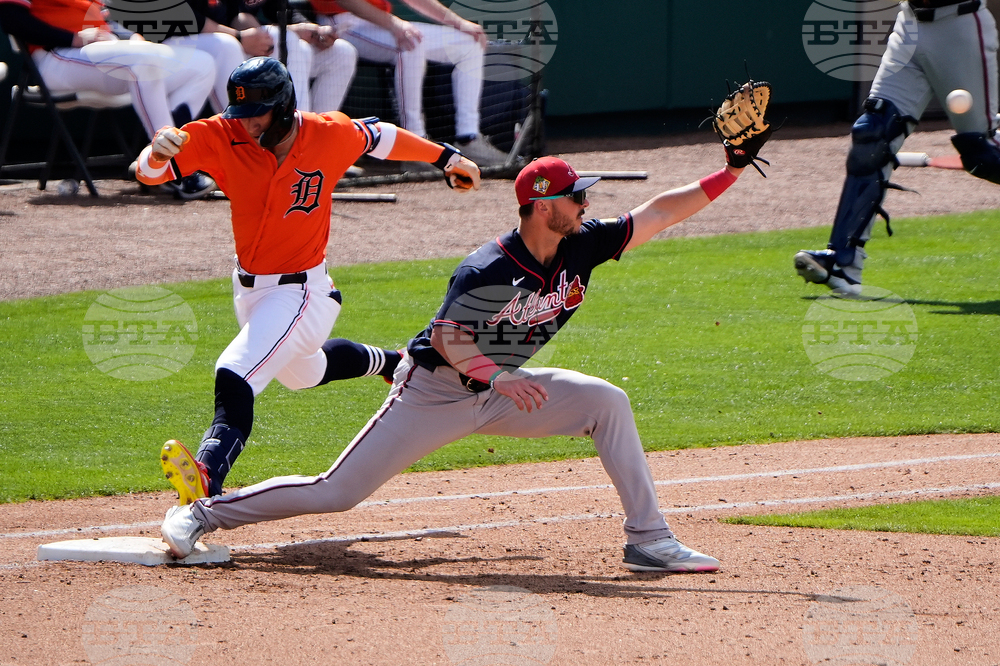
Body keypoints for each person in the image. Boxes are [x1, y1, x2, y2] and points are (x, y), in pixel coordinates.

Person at [159, 144, 768, 573]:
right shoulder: (489, 268)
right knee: (336, 491)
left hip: (501, 393)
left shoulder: (583, 244)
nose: (584, 205)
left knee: (607, 402)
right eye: (574, 197)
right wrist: (501, 376)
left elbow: (660, 211)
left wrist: (730, 171)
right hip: (433, 393)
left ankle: (649, 540)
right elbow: (450, 338)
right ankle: (202, 513)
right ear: (540, 204)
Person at [135, 57, 482, 503]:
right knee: (304, 372)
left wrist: (446, 157)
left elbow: (380, 135)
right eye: (239, 113)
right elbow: (147, 173)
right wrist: (157, 152)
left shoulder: (327, 133)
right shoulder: (218, 134)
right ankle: (393, 360)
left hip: (304, 291)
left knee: (235, 369)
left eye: (255, 114)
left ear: (281, 107)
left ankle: (209, 471)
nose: (245, 124)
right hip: (249, 289)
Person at [794, 0, 1000, 295]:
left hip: (959, 26)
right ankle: (843, 261)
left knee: (984, 154)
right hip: (910, 26)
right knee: (872, 135)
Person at [0, 0, 218, 199]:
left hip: (102, 53)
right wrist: (72, 38)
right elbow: (11, 17)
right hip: (56, 56)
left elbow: (107, 19)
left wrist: (131, 38)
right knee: (143, 63)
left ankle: (155, 160)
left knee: (201, 65)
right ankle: (172, 167)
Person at [311, 0, 508, 167]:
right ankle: (415, 146)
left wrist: (457, 22)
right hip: (339, 23)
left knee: (469, 43)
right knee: (411, 43)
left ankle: (469, 138)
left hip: (380, 22)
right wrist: (394, 24)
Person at [180, 0, 358, 115]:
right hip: (216, 44)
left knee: (342, 52)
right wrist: (244, 36)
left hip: (242, 41)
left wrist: (310, 28)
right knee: (287, 40)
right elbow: (237, 17)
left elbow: (280, 9)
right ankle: (295, 136)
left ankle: (320, 143)